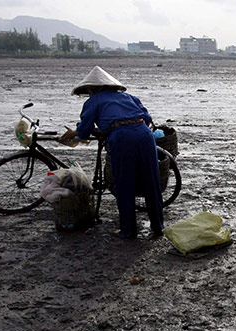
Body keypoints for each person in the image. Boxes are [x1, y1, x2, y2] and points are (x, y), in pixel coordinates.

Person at [60, 66, 164, 239]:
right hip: (145, 136)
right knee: (151, 183)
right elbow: (148, 119)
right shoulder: (130, 97)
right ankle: (158, 227)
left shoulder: (93, 101)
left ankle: (128, 230)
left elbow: (84, 131)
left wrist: (75, 132)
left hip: (122, 139)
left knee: (124, 185)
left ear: (93, 89)